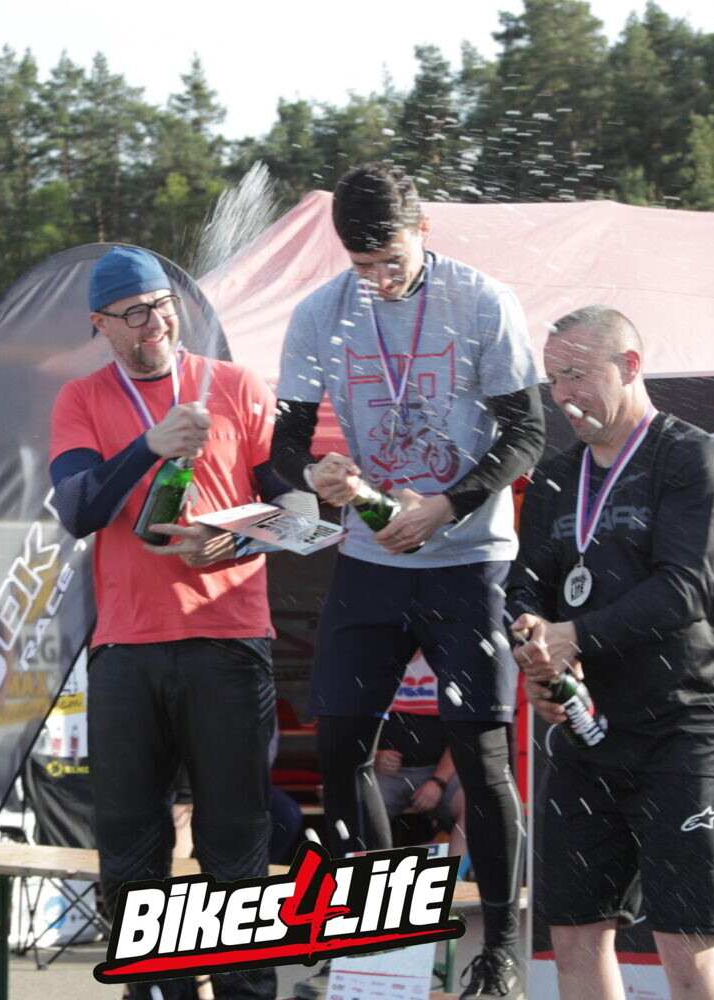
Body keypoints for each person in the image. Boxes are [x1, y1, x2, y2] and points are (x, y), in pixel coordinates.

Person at [270, 163, 544, 1000]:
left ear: (423, 230)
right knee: (341, 745)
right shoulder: (319, 313)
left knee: (481, 754)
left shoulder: (482, 300)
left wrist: (448, 504)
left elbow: (528, 432)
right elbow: (285, 444)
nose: (380, 279)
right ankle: (377, 925)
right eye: (363, 266)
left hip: (469, 558)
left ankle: (500, 951)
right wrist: (313, 473)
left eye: (392, 260)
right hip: (371, 556)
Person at [49, 245, 301, 1000]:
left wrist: (231, 542)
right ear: (100, 325)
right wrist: (146, 447)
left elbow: (296, 513)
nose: (152, 323)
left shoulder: (237, 385)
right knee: (131, 847)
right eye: (132, 314)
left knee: (236, 845)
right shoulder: (80, 398)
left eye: (160, 306)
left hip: (228, 640)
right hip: (126, 648)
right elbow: (77, 510)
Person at [508, 306, 714, 1000]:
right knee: (574, 938)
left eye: (577, 375)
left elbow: (686, 587)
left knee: (686, 946)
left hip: (683, 727)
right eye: (554, 380)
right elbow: (524, 586)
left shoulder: (691, 457)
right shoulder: (555, 478)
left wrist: (575, 636)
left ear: (630, 366)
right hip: (585, 730)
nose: (563, 396)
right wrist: (533, 643)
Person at [374, 654, 465, 856]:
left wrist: (438, 781)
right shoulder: (374, 660)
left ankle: (457, 873)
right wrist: (374, 755)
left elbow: (462, 733)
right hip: (384, 774)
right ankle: (373, 873)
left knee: (475, 805)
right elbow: (349, 727)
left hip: (438, 772)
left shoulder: (447, 660)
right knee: (360, 808)